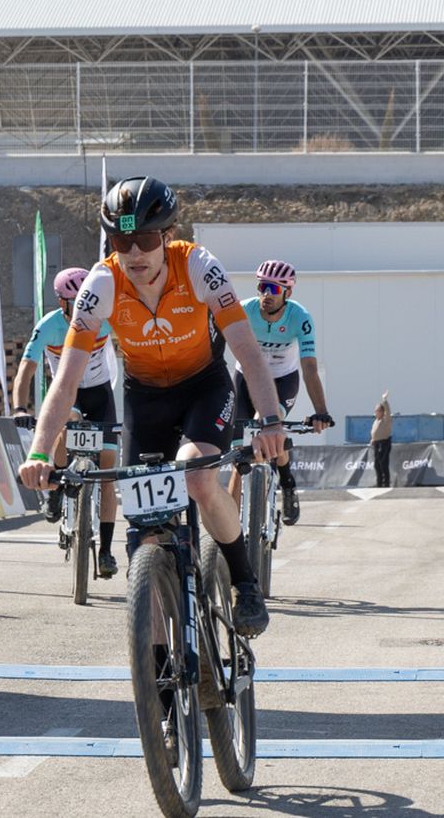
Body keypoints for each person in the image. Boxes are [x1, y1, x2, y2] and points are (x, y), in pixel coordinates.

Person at [18, 176, 285, 638]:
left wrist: (270, 419)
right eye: (123, 240)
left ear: (167, 236)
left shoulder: (199, 266)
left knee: (198, 476)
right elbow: (65, 380)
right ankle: (159, 664)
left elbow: (246, 348)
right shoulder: (101, 284)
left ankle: (244, 580)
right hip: (144, 396)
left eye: (145, 239)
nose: (134, 253)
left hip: (204, 385)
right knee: (144, 534)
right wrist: (40, 452)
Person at [12, 268, 122, 578]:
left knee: (107, 474)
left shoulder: (105, 316)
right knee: (66, 419)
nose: (81, 310)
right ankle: (56, 490)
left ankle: (105, 551)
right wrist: (20, 407)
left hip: (100, 395)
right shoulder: (49, 325)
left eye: (85, 301)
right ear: (61, 303)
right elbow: (26, 370)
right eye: (73, 304)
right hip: (67, 392)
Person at [226, 259, 334, 525]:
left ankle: (287, 482)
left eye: (274, 289)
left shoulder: (300, 317)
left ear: (288, 293)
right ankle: (228, 528)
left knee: (271, 436)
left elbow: (309, 367)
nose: (266, 294)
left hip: (282, 381)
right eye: (262, 286)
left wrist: (321, 411)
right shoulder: (244, 310)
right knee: (239, 454)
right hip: (246, 378)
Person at [371, 392, 393, 488]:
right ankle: (379, 483)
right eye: (375, 411)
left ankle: (386, 483)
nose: (376, 412)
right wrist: (373, 439)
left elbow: (388, 411)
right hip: (376, 444)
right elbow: (374, 432)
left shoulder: (385, 419)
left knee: (383, 464)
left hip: (384, 443)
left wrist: (384, 400)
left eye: (377, 411)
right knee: (377, 465)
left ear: (381, 411)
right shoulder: (376, 421)